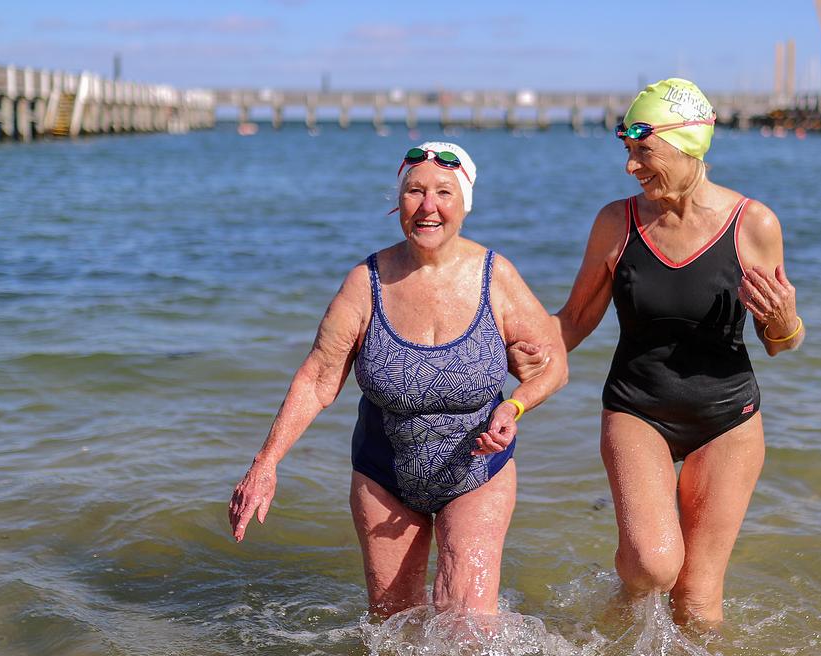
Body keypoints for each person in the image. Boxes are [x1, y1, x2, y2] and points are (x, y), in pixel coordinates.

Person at [229, 141, 568, 617]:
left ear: (464, 204)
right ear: (398, 202)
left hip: (477, 472)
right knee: (393, 633)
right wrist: (266, 463)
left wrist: (514, 406)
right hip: (384, 474)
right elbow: (318, 378)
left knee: (468, 626)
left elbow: (554, 364)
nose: (429, 207)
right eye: (415, 191)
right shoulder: (365, 283)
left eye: (444, 193)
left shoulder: (496, 277)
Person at [511, 79, 804, 626]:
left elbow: (779, 341)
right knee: (652, 565)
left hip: (727, 418)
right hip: (637, 408)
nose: (631, 166)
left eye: (643, 150)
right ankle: (619, 616)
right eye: (627, 150)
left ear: (687, 143)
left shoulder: (753, 224)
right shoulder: (615, 222)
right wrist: (509, 355)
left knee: (696, 596)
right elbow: (573, 320)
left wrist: (786, 323)